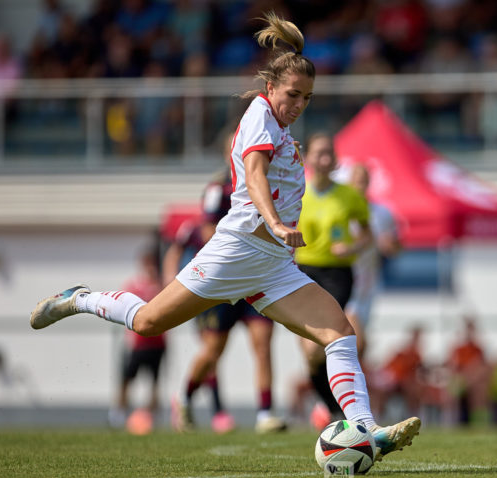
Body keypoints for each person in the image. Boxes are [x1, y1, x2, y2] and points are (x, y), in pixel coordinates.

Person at [30, 12, 420, 461]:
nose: (298, 104)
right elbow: (253, 175)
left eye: (307, 98)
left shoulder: (281, 125)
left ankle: (368, 430)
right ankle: (78, 298)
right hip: (237, 251)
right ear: (270, 89)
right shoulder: (258, 118)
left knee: (339, 332)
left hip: (272, 266)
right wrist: (275, 222)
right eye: (292, 95)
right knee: (148, 322)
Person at [164, 137, 285, 435]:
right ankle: (185, 397)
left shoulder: (271, 184)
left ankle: (265, 413)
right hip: (225, 278)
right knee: (214, 350)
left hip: (255, 278)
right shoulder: (219, 188)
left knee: (262, 343)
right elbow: (207, 232)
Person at [294, 131, 373, 429]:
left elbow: (367, 234)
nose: (325, 158)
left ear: (335, 159)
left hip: (338, 275)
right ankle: (331, 407)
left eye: (329, 153)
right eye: (319, 153)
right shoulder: (296, 190)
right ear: (309, 158)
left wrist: (352, 246)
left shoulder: (349, 195)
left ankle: (345, 412)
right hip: (303, 273)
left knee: (325, 345)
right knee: (310, 354)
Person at [345, 164, 402, 361]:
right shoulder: (341, 211)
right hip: (345, 282)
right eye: (356, 178)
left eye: (363, 178)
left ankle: (345, 388)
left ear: (369, 182)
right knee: (357, 342)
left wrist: (390, 245)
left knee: (355, 349)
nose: (359, 182)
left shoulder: (382, 213)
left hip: (368, 286)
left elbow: (395, 248)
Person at [108, 243, 167, 430]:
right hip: (138, 344)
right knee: (127, 378)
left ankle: (151, 417)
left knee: (155, 382)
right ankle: (118, 414)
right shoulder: (133, 286)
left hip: (158, 343)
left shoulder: (162, 285)